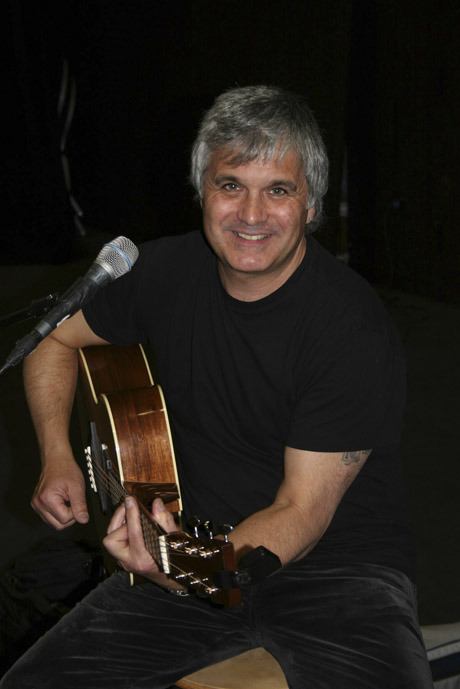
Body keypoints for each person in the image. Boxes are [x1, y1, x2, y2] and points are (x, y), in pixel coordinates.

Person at [1, 85, 433, 688]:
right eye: (231, 185)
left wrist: (183, 570)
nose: (251, 215)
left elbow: (299, 510)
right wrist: (57, 455)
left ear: (312, 206)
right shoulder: (162, 272)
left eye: (278, 190)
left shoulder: (349, 328)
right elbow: (53, 340)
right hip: (192, 548)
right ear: (202, 190)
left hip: (338, 575)